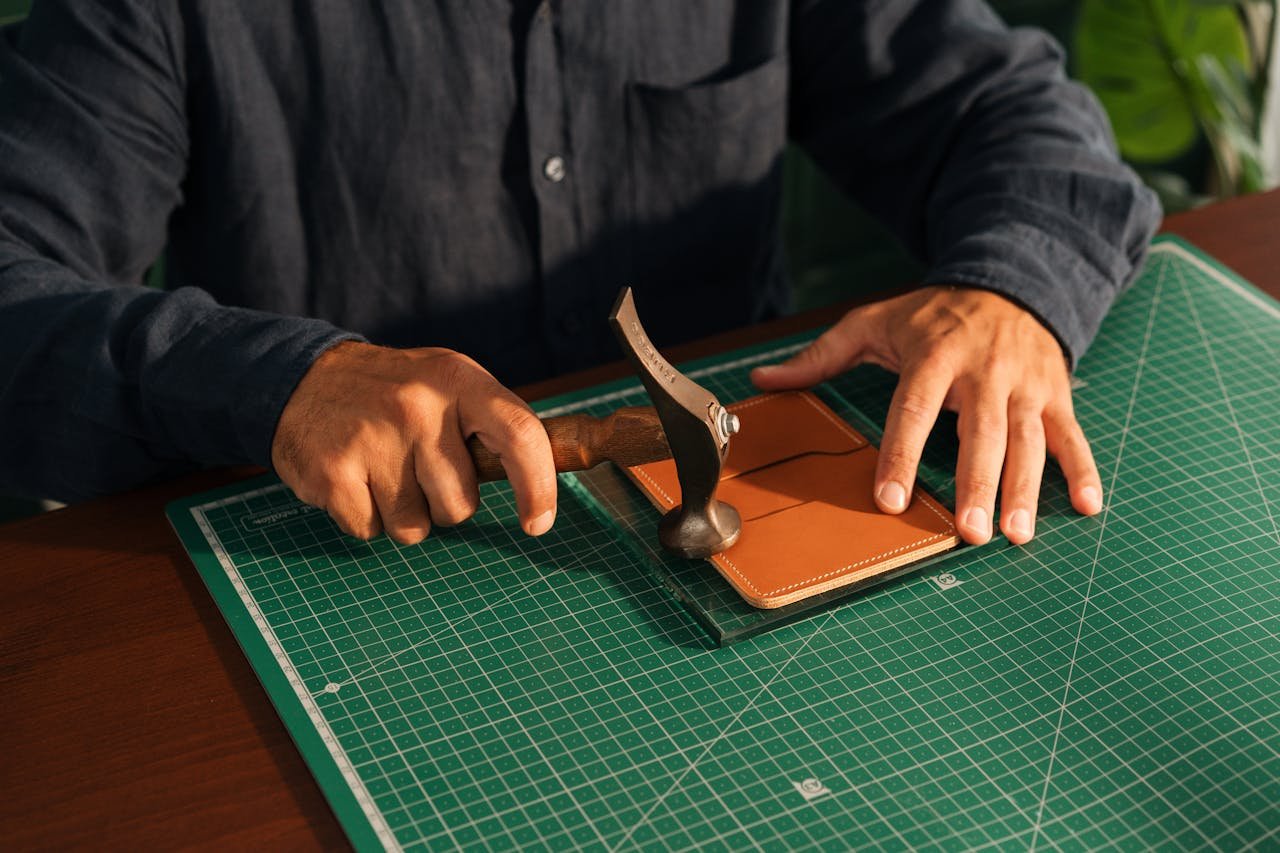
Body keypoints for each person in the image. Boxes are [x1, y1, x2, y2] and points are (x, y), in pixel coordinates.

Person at [0, 1, 1159, 549]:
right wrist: (280, 382)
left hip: (742, 512)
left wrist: (1009, 288)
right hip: (335, 560)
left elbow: (1005, 107)